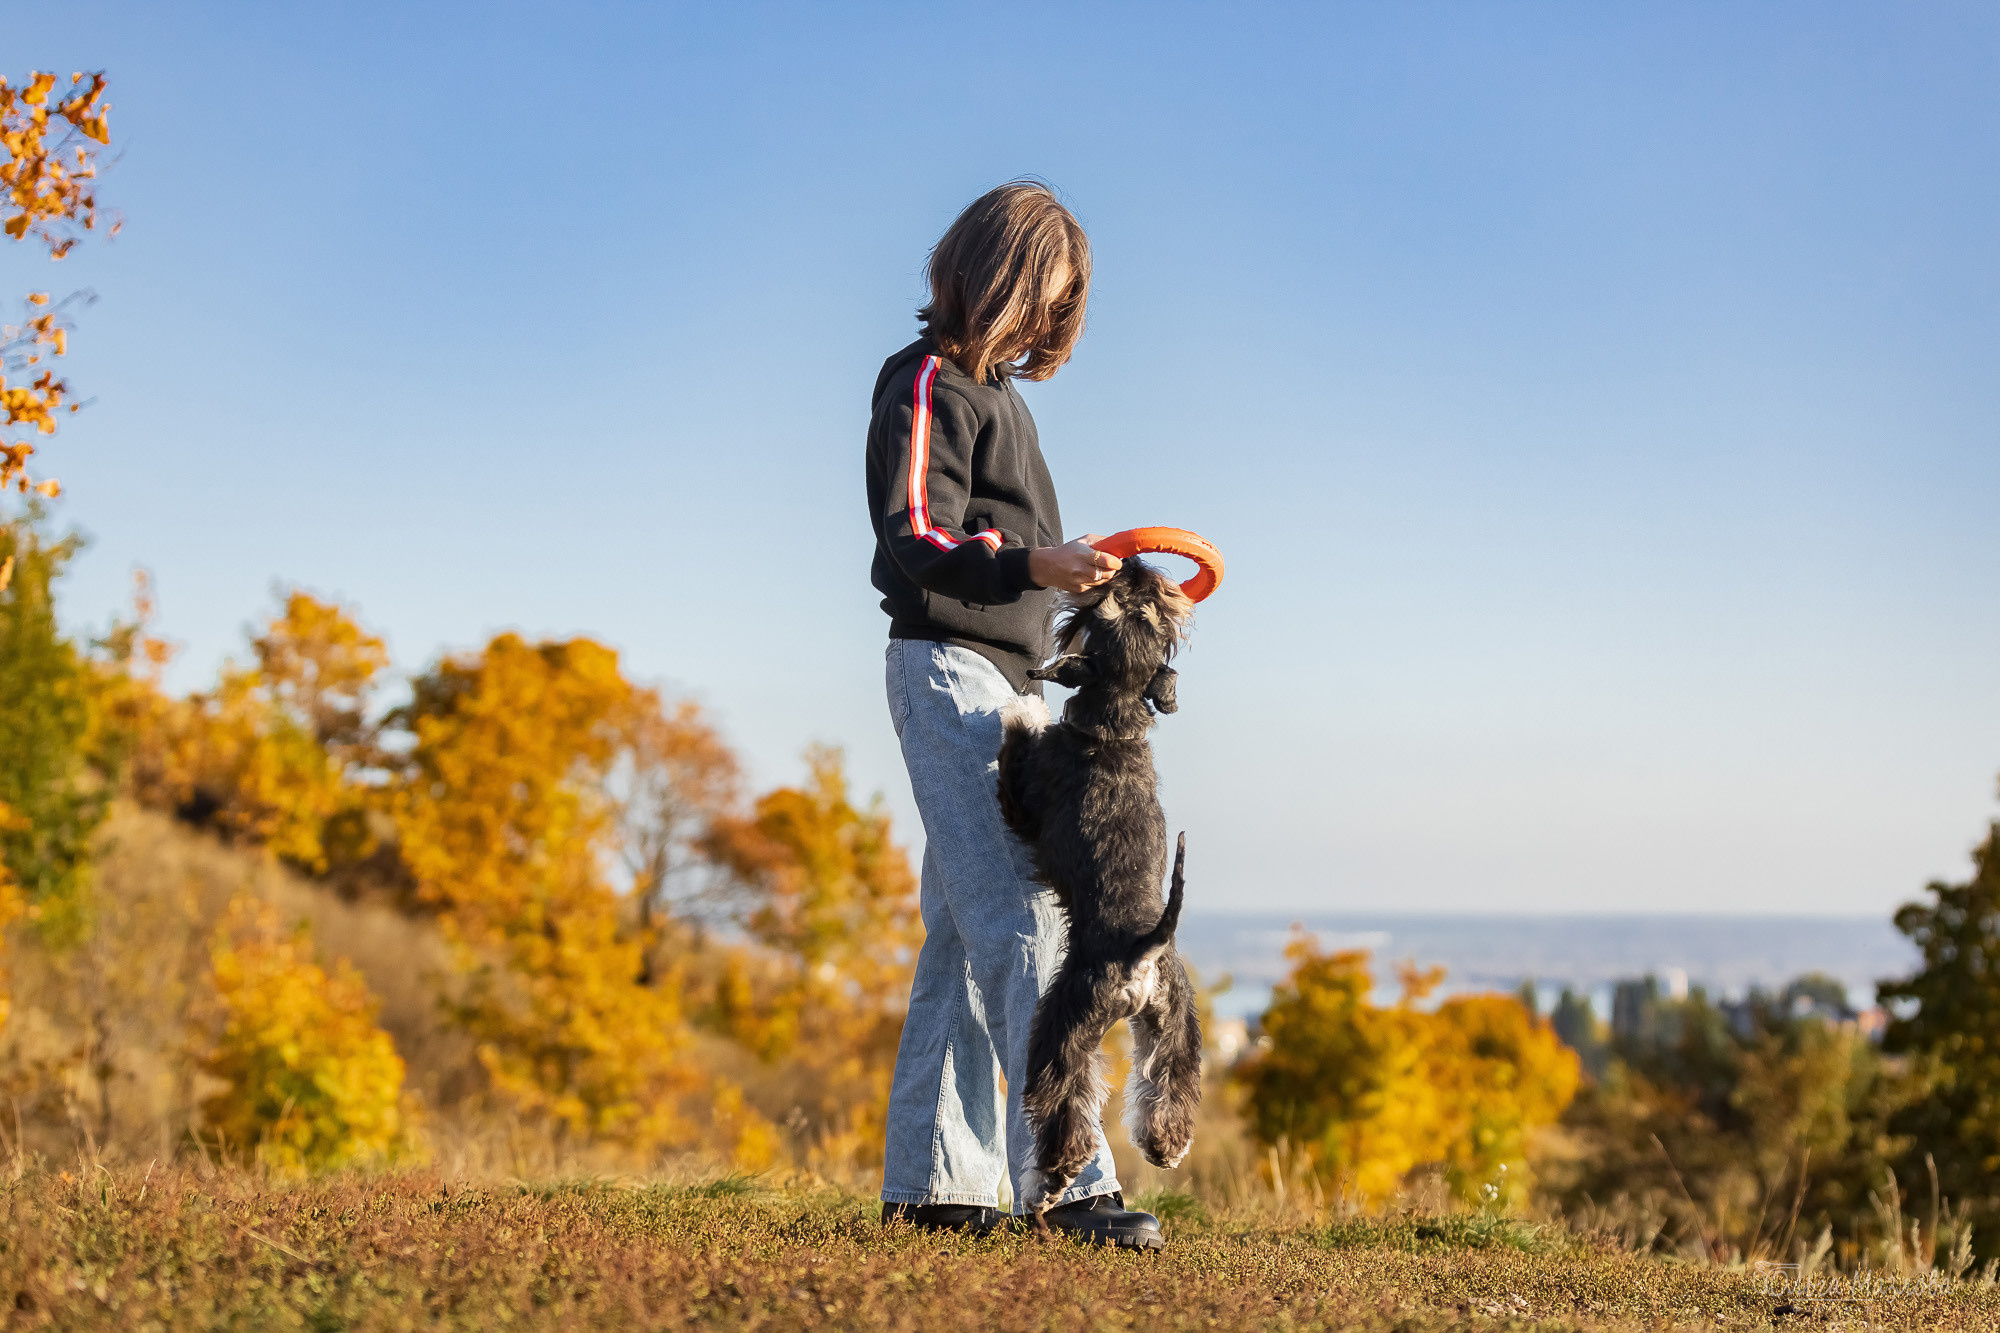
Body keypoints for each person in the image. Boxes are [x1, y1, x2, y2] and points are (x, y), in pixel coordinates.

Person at [865, 181, 1164, 1249]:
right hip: (946, 672)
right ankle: (1070, 1179)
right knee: (1021, 926)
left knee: (961, 927)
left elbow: (1028, 569)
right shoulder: (923, 384)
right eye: (1047, 298)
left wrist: (1099, 591)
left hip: (1017, 687)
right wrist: (1031, 560)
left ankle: (935, 1187)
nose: (1053, 324)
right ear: (998, 277)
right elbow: (912, 533)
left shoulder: (1011, 408)